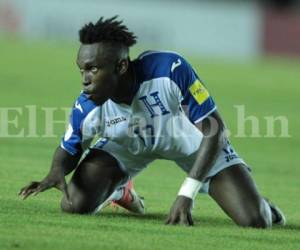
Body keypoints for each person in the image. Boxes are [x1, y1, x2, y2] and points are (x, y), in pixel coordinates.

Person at [19, 16, 286, 227]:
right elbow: (69, 148)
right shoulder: (87, 103)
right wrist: (56, 170)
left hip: (193, 144)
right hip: (128, 146)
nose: (85, 79)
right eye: (82, 69)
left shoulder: (169, 70)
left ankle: (265, 206)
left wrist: (186, 194)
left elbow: (215, 132)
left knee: (255, 221)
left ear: (121, 66)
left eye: (93, 69)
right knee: (73, 204)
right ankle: (120, 191)